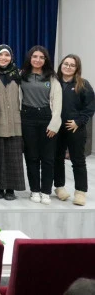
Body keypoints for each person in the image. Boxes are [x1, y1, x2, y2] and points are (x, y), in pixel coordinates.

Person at [20, 45, 62, 205]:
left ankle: (46, 191)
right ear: (30, 58)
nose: (37, 60)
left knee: (48, 158)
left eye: (41, 57)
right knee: (31, 157)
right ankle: (35, 190)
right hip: (27, 118)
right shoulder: (22, 76)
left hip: (46, 118)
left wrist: (54, 124)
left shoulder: (52, 78)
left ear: (45, 60)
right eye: (35, 56)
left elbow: (57, 103)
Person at [54, 54, 94, 206]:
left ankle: (80, 192)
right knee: (57, 158)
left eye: (72, 65)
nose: (68, 67)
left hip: (75, 128)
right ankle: (59, 188)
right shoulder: (54, 82)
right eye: (66, 64)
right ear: (61, 65)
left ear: (77, 68)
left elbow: (90, 107)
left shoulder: (83, 84)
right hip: (56, 128)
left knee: (78, 160)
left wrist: (78, 122)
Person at [0, 45, 25, 200]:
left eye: (7, 55)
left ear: (12, 57)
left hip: (15, 121)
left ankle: (11, 189)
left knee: (13, 157)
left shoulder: (18, 74)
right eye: (0, 55)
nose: (3, 58)